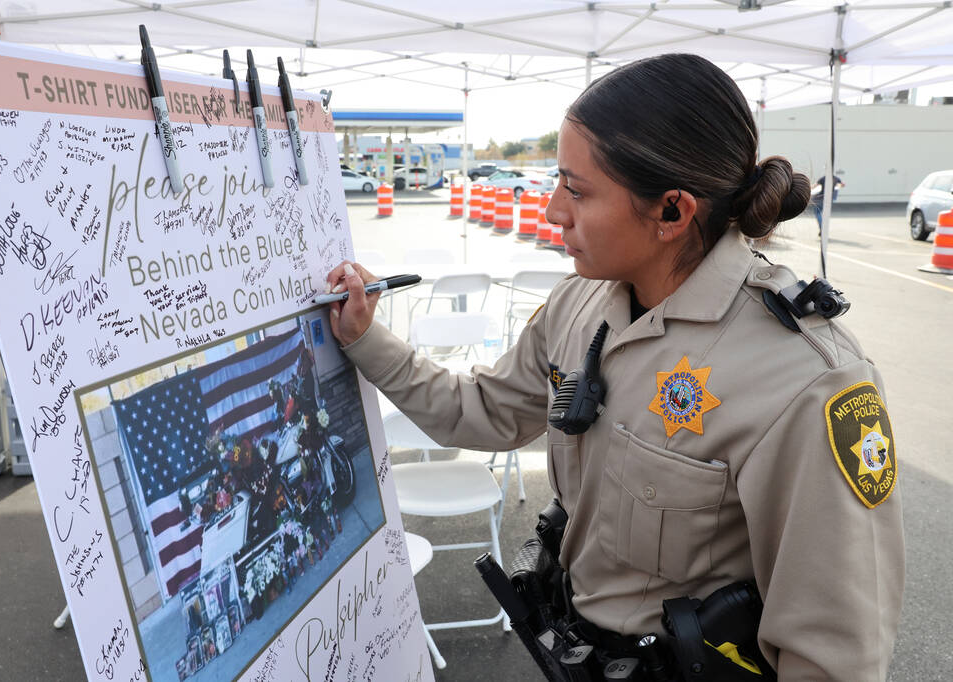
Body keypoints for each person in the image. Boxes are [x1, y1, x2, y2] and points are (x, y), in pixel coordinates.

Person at [325, 53, 903, 681]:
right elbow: (484, 411)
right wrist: (364, 337)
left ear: (671, 213)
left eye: (576, 190)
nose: (551, 210)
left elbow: (836, 655)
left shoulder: (809, 380)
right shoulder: (582, 303)